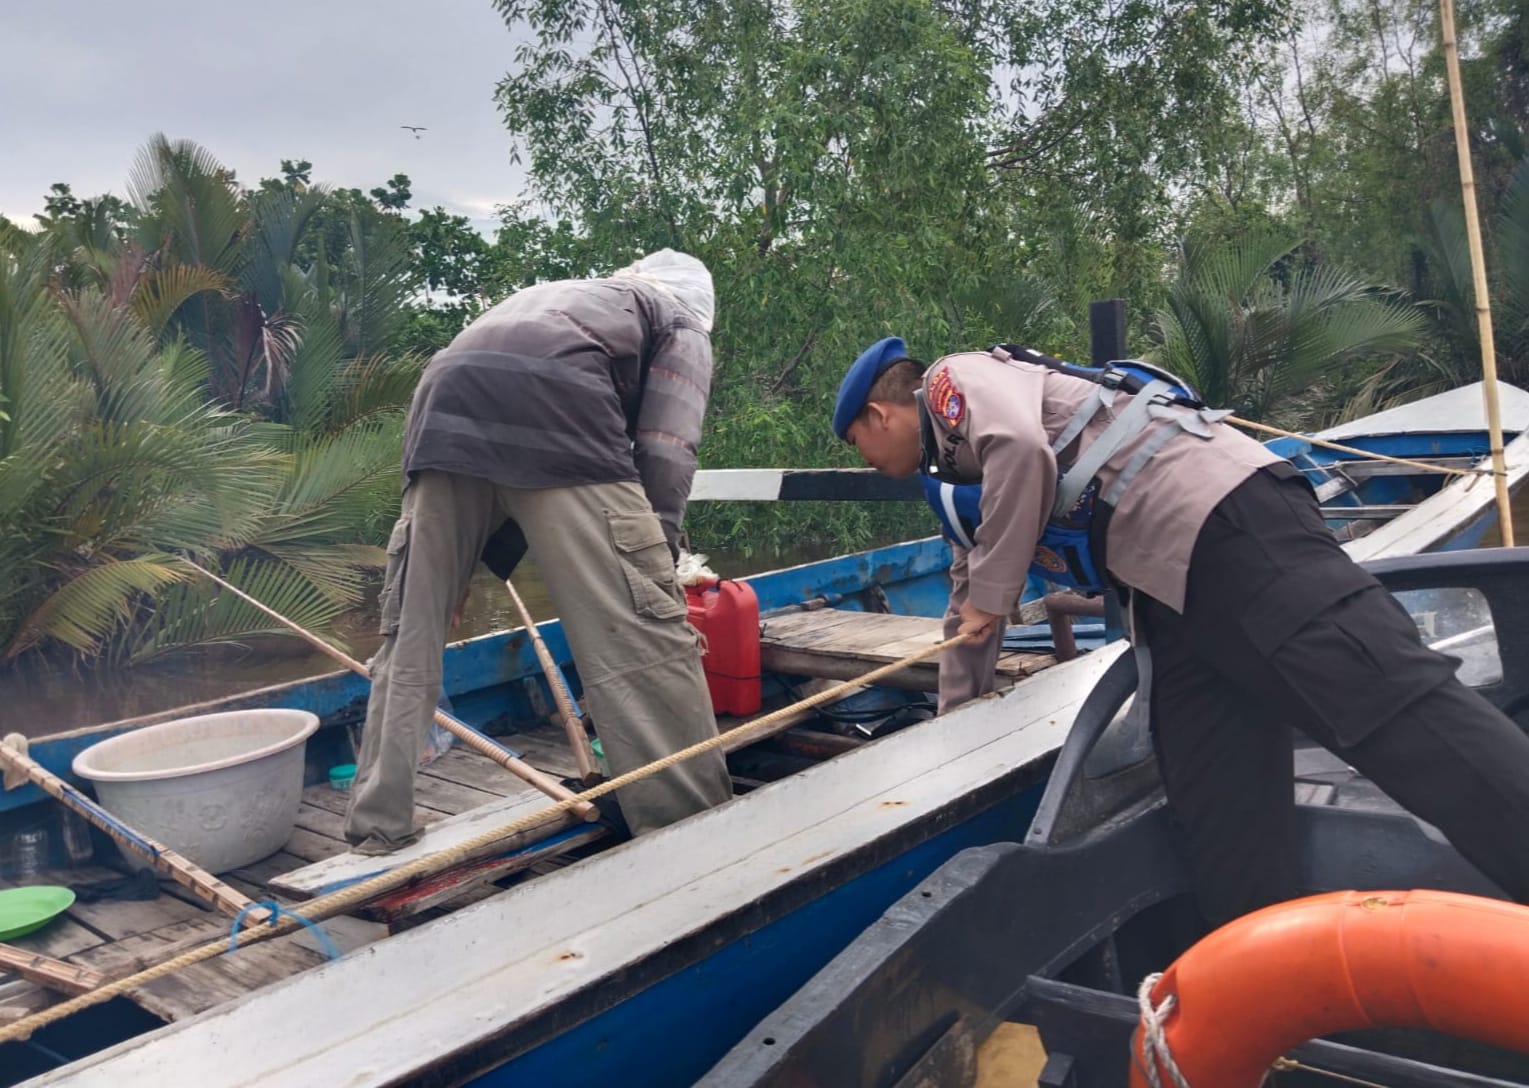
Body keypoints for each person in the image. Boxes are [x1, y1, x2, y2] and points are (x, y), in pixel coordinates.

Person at [833, 336, 1529, 925]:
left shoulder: (955, 380)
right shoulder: (950, 476)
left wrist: (995, 595)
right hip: (1168, 595)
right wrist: (953, 734)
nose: (860, 461)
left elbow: (1022, 451)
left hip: (1232, 528)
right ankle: (1269, 1016)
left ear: (879, 412)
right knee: (1218, 810)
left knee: (1394, 712)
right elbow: (967, 617)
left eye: (856, 443)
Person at [344, 250, 734, 855]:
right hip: (558, 402)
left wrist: (455, 571)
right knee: (640, 635)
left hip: (439, 407)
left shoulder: (576, 294)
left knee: (410, 637)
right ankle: (687, 824)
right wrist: (652, 564)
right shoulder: (679, 320)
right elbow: (666, 447)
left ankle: (377, 827)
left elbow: (496, 438)